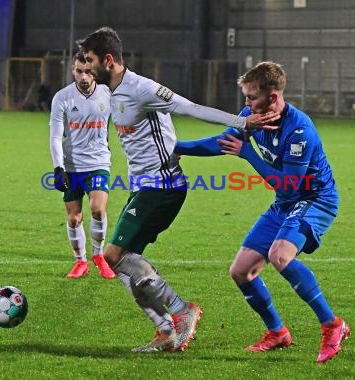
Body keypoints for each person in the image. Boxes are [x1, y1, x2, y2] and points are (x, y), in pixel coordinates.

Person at [77, 26, 277, 353]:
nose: (86, 67)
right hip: (144, 187)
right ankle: (165, 331)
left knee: (113, 255)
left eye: (90, 60)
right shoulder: (112, 93)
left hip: (163, 186)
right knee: (125, 262)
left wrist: (243, 123)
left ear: (108, 60)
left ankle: (182, 311)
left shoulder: (142, 89)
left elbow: (191, 108)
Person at [175, 61, 350, 363]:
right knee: (241, 271)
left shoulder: (300, 130)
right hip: (286, 202)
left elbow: (289, 185)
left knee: (280, 255)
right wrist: (176, 147)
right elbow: (222, 142)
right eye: (245, 96)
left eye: (251, 97)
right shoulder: (250, 116)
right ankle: (277, 333)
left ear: (273, 97)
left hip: (314, 198)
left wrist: (247, 154)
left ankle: (333, 325)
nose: (246, 103)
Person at [49, 51, 116, 280]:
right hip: (71, 165)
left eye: (88, 72)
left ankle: (99, 256)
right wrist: (58, 168)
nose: (84, 77)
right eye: (79, 72)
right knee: (74, 218)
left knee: (98, 209)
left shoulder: (108, 94)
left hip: (98, 161)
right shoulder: (62, 98)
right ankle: (81, 262)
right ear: (73, 71)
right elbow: (56, 136)